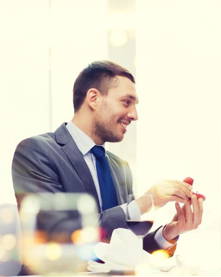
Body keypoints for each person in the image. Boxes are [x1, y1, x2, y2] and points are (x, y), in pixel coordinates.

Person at [12, 60, 204, 257]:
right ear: (94, 98)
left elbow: (124, 251)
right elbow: (58, 235)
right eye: (126, 102)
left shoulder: (120, 167)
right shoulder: (36, 152)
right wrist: (147, 202)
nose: (134, 115)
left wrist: (170, 231)